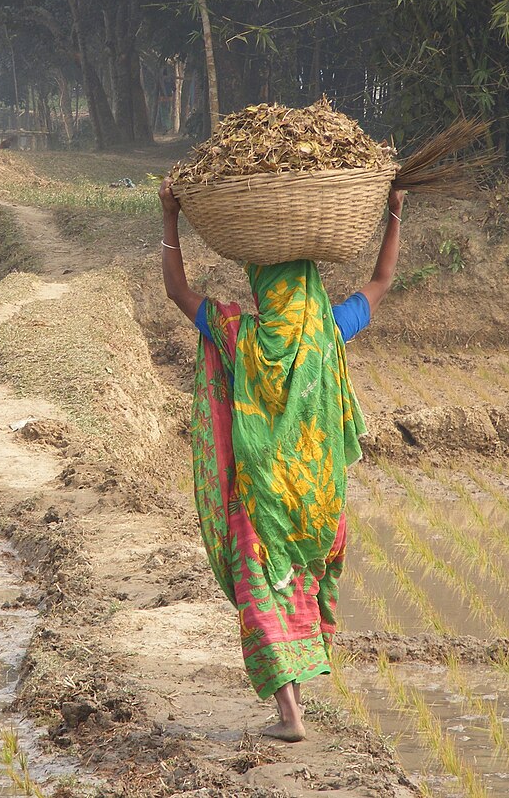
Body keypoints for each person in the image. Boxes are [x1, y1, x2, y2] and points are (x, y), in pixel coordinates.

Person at [159, 176, 404, 742]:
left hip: (260, 499)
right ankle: (295, 705)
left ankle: (289, 713)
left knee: (262, 590)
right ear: (311, 289)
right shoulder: (329, 333)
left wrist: (170, 216)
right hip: (319, 504)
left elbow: (177, 289)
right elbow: (382, 280)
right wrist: (393, 215)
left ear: (262, 284)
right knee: (300, 584)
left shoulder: (237, 334)